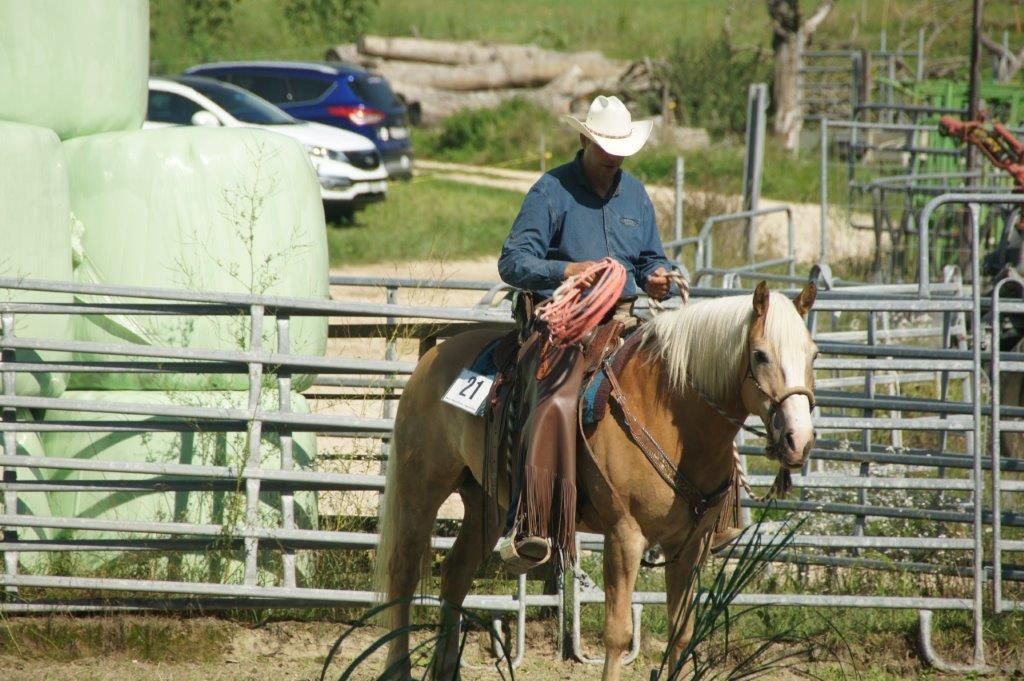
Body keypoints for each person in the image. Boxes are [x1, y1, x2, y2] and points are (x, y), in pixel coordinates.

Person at [494, 95, 678, 572]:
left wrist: (657, 276)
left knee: (684, 381)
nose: (614, 157)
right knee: (556, 398)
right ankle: (530, 520)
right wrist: (567, 270)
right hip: (564, 320)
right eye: (605, 147)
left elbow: (649, 258)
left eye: (620, 149)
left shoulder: (635, 194)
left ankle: (685, 515)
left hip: (625, 320)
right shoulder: (551, 190)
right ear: (584, 139)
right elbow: (513, 262)